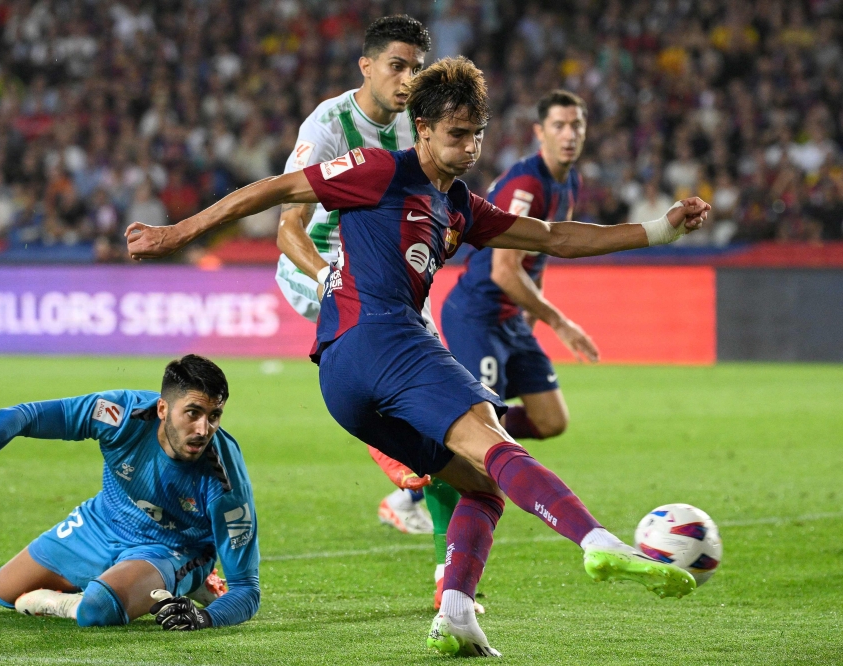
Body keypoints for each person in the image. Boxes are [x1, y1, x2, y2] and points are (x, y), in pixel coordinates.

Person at [126, 57, 709, 657]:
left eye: (477, 133)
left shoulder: (459, 205)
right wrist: (177, 234)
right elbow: (273, 191)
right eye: (457, 134)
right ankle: (597, 541)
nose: (470, 146)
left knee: (481, 486)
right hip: (382, 340)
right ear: (422, 128)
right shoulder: (378, 171)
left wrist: (659, 229)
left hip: (344, 381)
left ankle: (455, 610)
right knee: (495, 441)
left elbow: (554, 237)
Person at [274, 15, 463, 574]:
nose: (407, 80)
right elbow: (288, 230)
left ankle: (446, 575)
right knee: (415, 407)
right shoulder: (328, 125)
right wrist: (326, 278)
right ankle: (396, 456)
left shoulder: (419, 125)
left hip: (396, 278)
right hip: (324, 273)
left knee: (444, 409)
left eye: (416, 68)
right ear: (367, 66)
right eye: (396, 67)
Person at [0, 355, 259, 632]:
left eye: (214, 416)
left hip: (172, 547)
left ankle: (182, 581)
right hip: (103, 521)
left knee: (96, 610)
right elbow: (22, 416)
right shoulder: (121, 415)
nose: (204, 429)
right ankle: (124, 583)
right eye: (193, 413)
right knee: (4, 590)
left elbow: (246, 589)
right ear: (163, 409)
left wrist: (205, 619)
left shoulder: (226, 480)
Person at [443, 89, 599, 447]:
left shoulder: (569, 181)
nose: (569, 134)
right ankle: (410, 493)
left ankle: (461, 424)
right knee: (485, 431)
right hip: (478, 314)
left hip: (511, 320)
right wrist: (558, 322)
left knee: (550, 420)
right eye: (559, 125)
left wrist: (530, 315)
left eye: (576, 125)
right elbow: (504, 269)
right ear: (540, 132)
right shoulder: (527, 184)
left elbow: (540, 255)